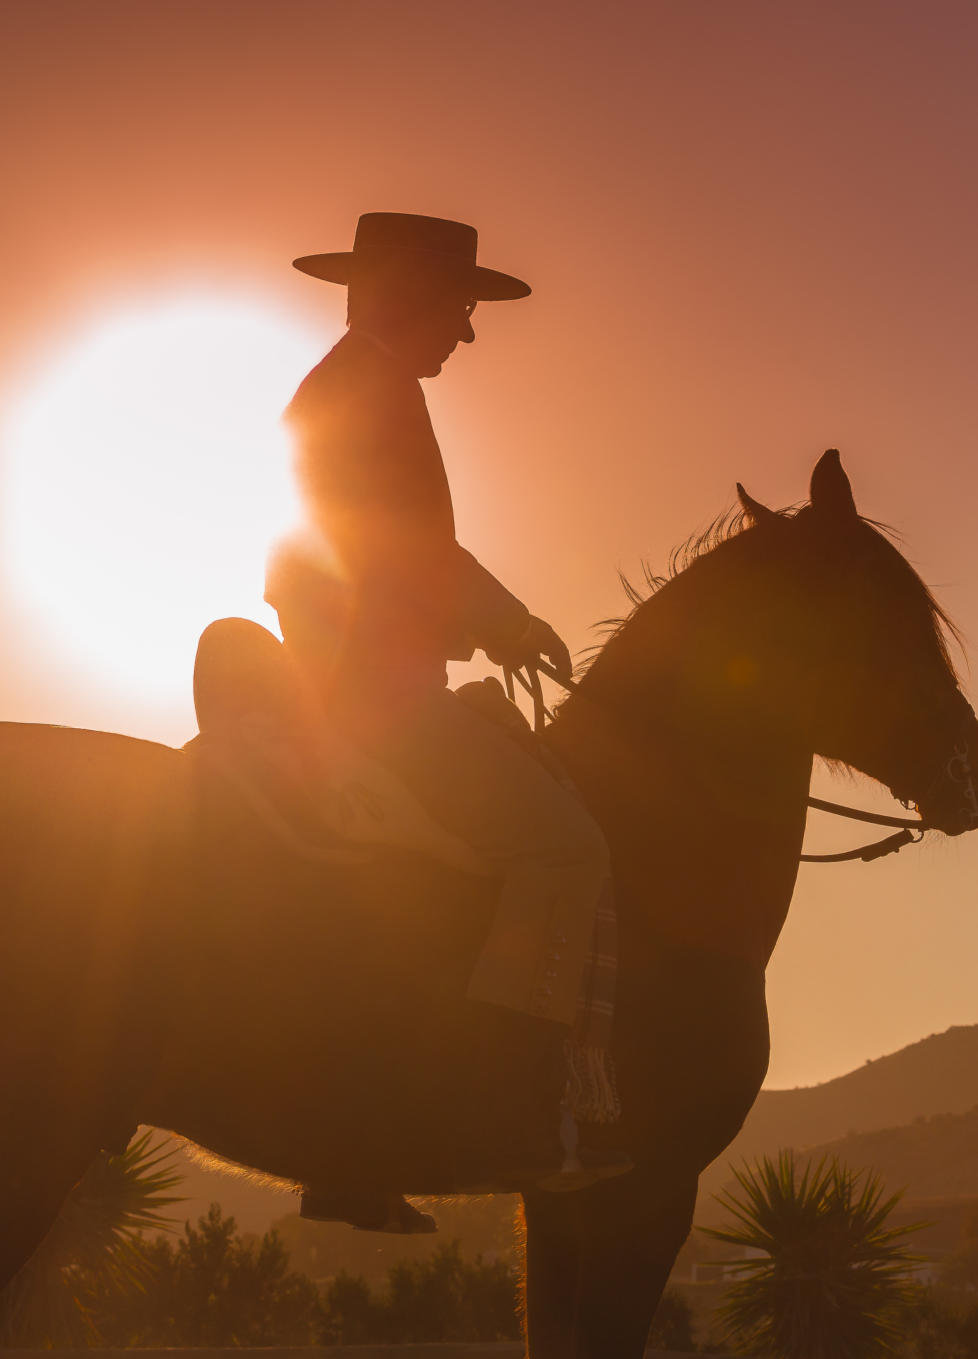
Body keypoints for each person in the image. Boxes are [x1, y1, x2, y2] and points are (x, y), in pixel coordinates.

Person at [267, 213, 626, 1228]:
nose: (466, 332)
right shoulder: (369, 391)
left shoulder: (343, 386)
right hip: (380, 700)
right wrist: (508, 622)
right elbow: (403, 551)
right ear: (408, 297)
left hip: (354, 677)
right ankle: (506, 1104)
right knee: (565, 844)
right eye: (461, 308)